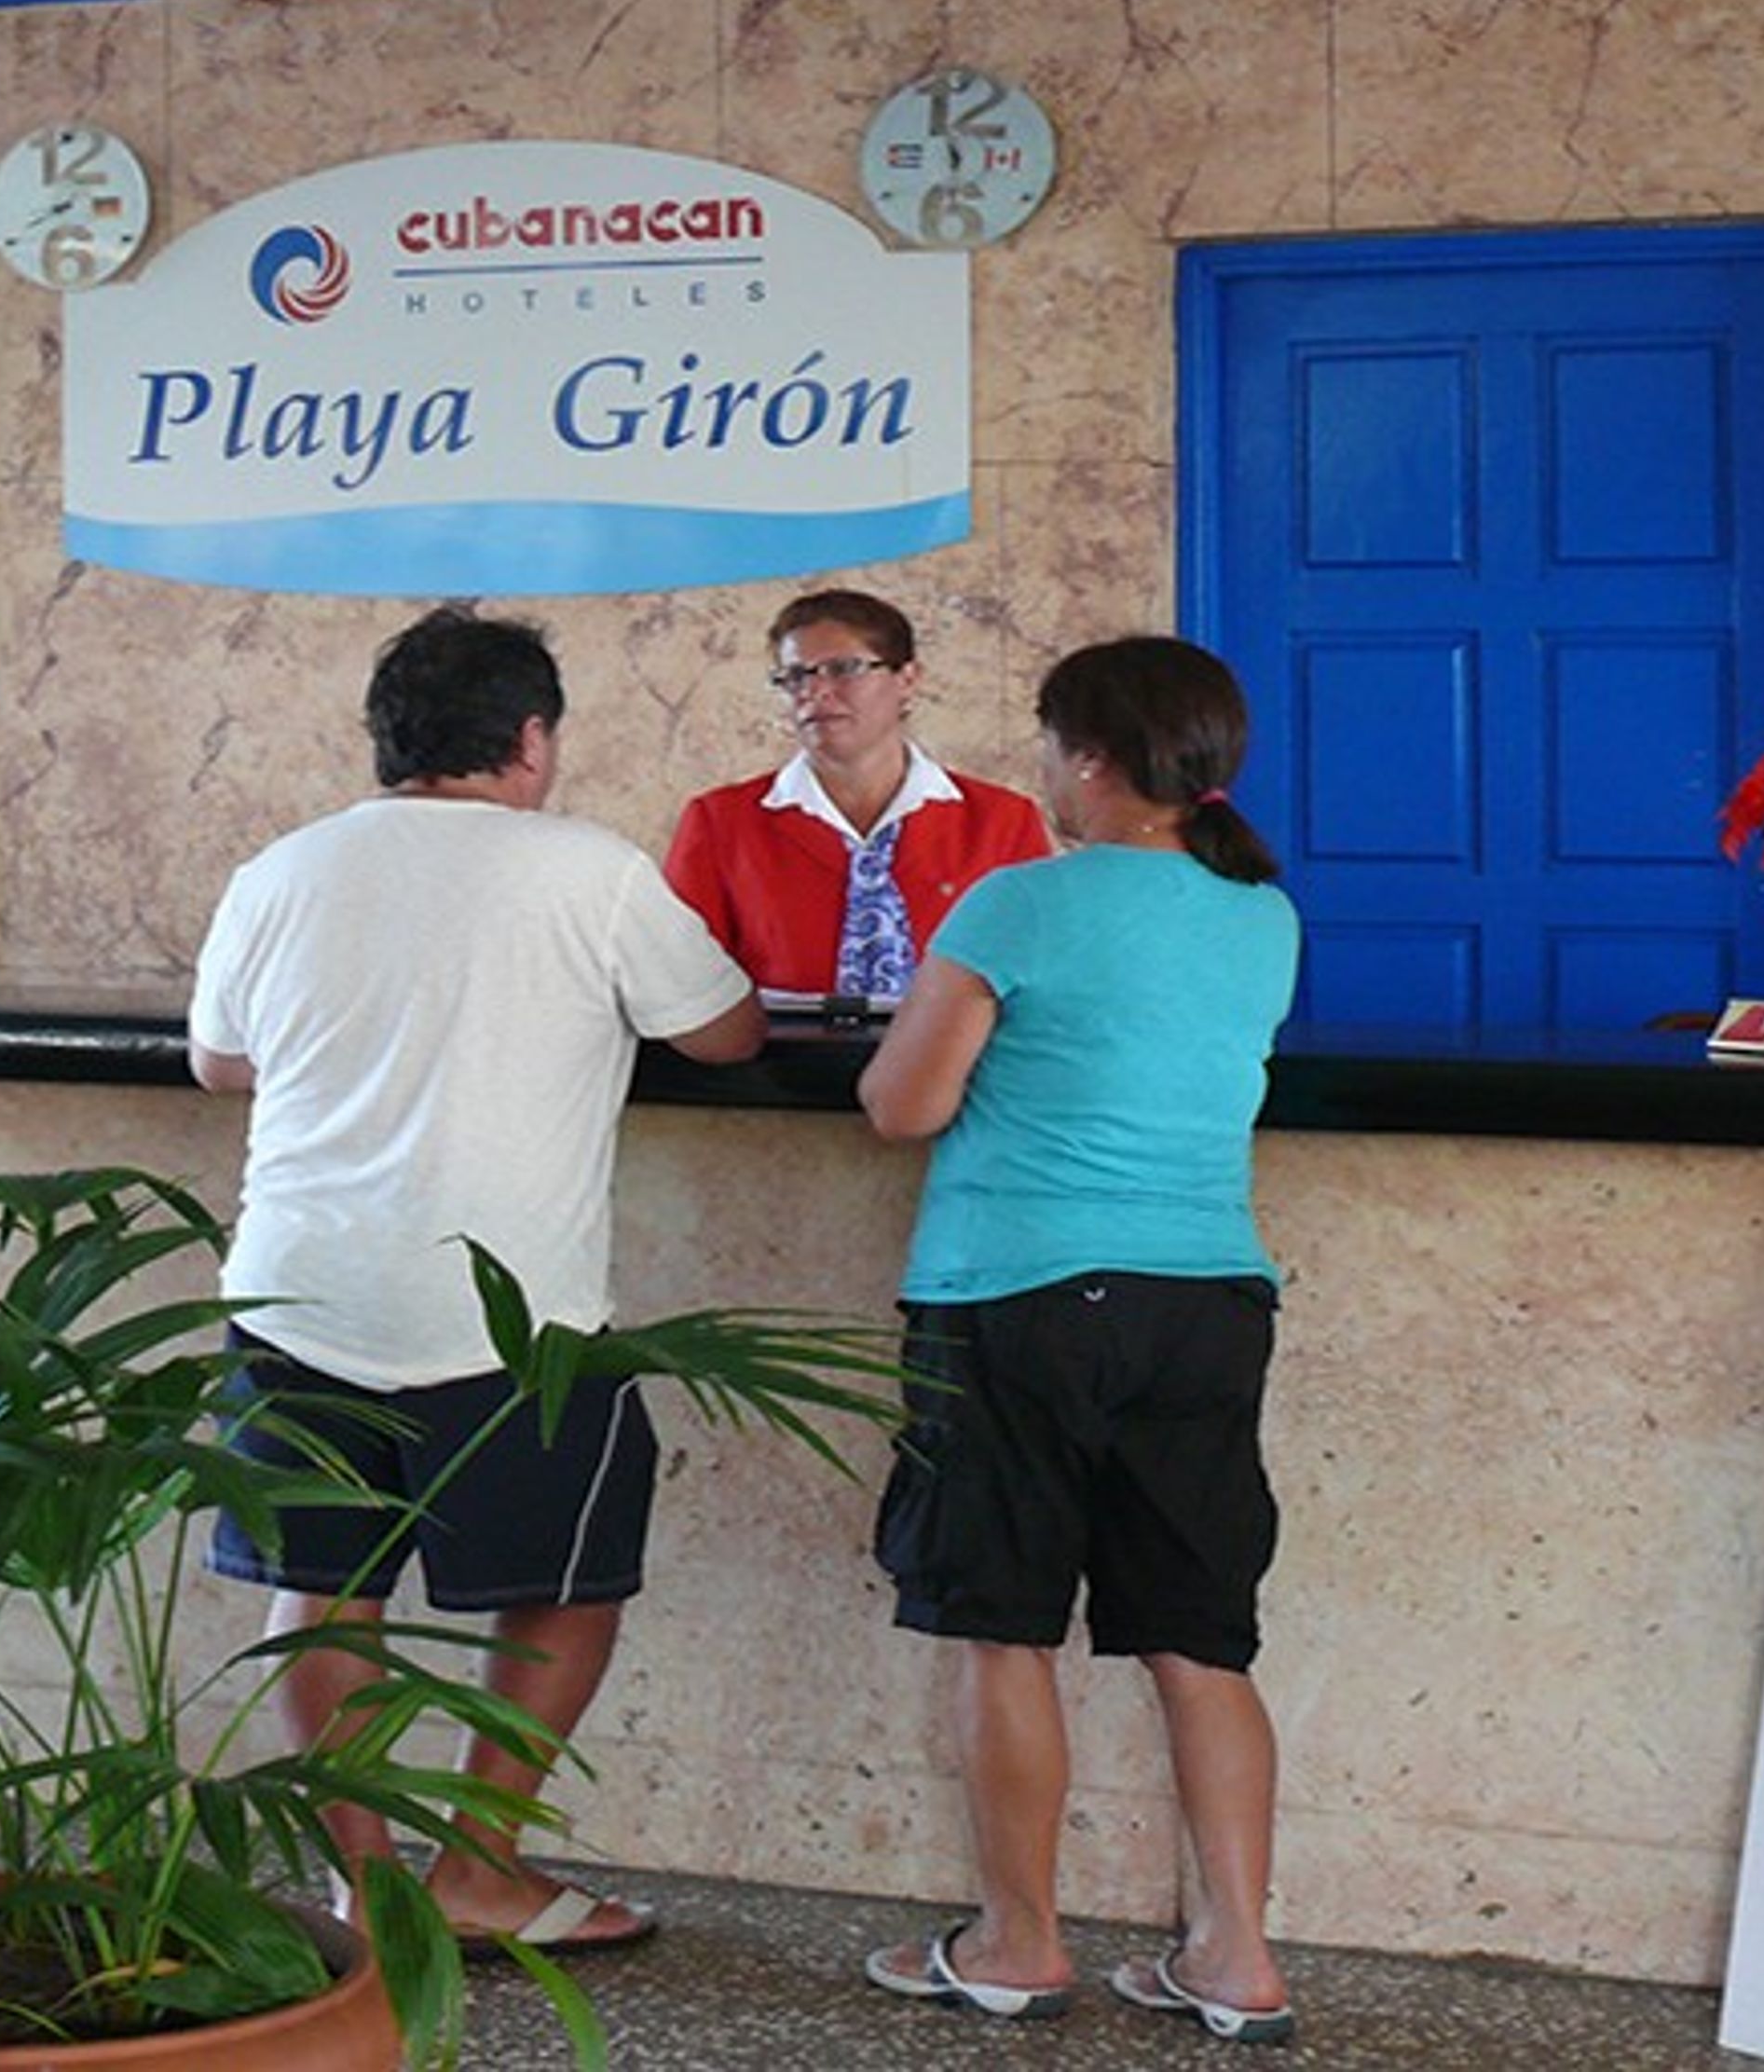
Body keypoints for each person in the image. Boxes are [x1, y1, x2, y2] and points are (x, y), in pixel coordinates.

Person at [185, 604, 766, 1952]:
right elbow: (728, 1032)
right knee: (563, 1581)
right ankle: (478, 1863)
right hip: (512, 1315)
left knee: (327, 1583)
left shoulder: (281, 870)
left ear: (388, 740)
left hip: (295, 1290)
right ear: (531, 737)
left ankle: (365, 1879)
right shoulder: (589, 871)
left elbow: (221, 1061)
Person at [849, 634, 1305, 2042]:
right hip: (1206, 1304)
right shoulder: (1261, 914)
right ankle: (1235, 1956)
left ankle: (1017, 1940)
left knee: (1001, 1629)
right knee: (1200, 1643)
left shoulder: (1018, 904)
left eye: (1051, 743)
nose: (1041, 768)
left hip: (1019, 1301)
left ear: (1091, 759)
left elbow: (901, 1107)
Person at [663, 585, 1052, 999]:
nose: (816, 691)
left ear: (908, 680)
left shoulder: (1002, 821)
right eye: (796, 676)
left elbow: (1039, 978)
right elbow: (681, 988)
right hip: (772, 1062)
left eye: (844, 668)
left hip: (964, 1063)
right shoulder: (722, 821)